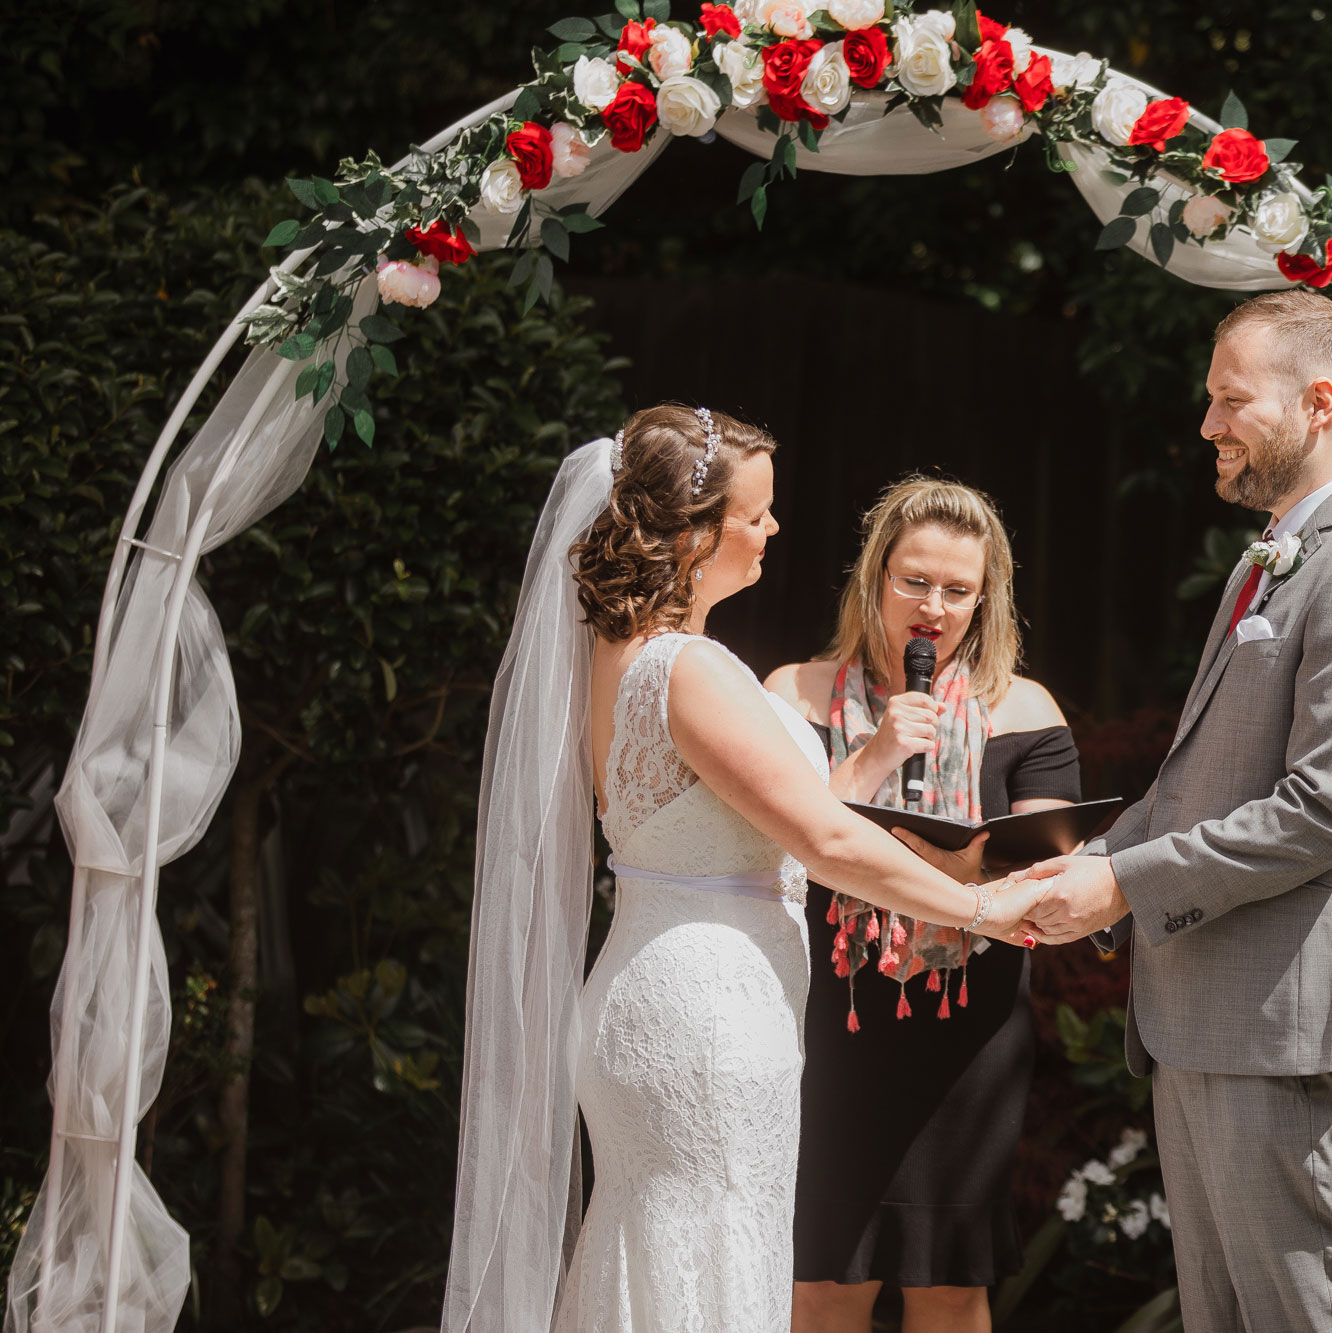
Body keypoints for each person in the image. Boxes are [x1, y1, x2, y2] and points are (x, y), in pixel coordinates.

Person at [439, 406, 1044, 1333]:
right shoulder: (694, 668)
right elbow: (827, 844)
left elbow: (742, 822)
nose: (771, 530)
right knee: (711, 1260)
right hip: (707, 1014)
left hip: (661, 985)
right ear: (692, 531)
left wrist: (867, 765)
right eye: (754, 514)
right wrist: (981, 906)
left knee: (662, 1253)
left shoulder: (615, 654)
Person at [1014, 291, 1332, 1332]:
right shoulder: (1270, 557)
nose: (1205, 425)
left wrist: (1118, 883)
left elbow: (1318, 810)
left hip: (1286, 1028)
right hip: (1203, 1020)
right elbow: (1185, 785)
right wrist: (1070, 870)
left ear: (1318, 400)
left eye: (1227, 399)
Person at [764, 478, 1081, 1333]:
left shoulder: (1027, 710)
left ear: (985, 599)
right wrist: (869, 757)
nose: (932, 608)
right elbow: (770, 847)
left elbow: (1050, 879)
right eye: (914, 581)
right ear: (875, 578)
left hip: (965, 1030)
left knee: (949, 1281)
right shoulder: (792, 693)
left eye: (957, 589)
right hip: (827, 1021)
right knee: (824, 1279)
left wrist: (957, 862)